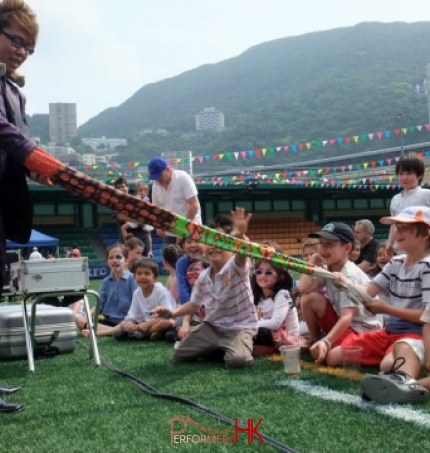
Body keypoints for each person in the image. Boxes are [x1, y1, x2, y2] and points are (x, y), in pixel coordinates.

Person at [0, 0, 53, 413]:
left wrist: (41, 167)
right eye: (16, 39)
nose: (21, 50)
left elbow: (22, 141)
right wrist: (35, 157)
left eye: (28, 46)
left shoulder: (14, 90)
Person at [335, 206, 430, 404]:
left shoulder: (427, 266)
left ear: (425, 234)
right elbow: (368, 291)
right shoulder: (396, 262)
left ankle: (402, 381)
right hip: (388, 332)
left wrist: (386, 309)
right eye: (397, 227)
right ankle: (402, 378)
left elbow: (426, 316)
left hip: (415, 333)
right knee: (334, 357)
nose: (397, 232)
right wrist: (345, 283)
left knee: (393, 363)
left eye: (404, 228)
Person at [153, 207, 258, 367]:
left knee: (238, 361)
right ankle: (218, 347)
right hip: (212, 327)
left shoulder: (235, 267)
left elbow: (242, 254)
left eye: (222, 242)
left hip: (238, 329)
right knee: (179, 354)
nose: (214, 246)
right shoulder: (203, 276)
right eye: (210, 242)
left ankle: (227, 347)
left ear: (232, 248)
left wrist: (240, 237)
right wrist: (172, 313)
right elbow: (194, 304)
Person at [297, 222, 382, 366]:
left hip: (361, 330)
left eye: (329, 244)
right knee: (309, 299)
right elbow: (304, 288)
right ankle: (316, 340)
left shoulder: (349, 274)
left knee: (326, 357)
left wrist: (326, 341)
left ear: (347, 248)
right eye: (321, 243)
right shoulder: (329, 268)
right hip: (344, 324)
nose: (322, 249)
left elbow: (347, 318)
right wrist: (312, 261)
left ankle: (371, 352)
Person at [77, 244, 137, 337]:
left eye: (118, 257)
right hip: (108, 320)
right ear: (107, 262)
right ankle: (116, 331)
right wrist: (85, 317)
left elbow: (136, 304)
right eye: (111, 257)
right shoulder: (106, 281)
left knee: (128, 324)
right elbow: (99, 304)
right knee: (84, 323)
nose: (114, 260)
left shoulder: (132, 279)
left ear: (126, 261)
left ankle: (100, 333)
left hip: (126, 319)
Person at [114, 258, 176, 341]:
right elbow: (132, 315)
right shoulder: (137, 293)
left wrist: (147, 324)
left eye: (147, 274)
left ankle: (144, 334)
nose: (142, 277)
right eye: (139, 273)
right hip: (143, 324)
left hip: (162, 321)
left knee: (167, 322)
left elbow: (168, 315)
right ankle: (152, 333)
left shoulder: (161, 291)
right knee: (123, 324)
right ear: (134, 277)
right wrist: (130, 325)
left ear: (155, 277)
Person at [386, 153, 430, 259]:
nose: (404, 177)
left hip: (424, 250)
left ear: (419, 175)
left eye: (409, 173)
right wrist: (390, 244)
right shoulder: (395, 199)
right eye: (401, 174)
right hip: (402, 251)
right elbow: (393, 225)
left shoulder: (426, 195)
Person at [148, 157, 201, 244]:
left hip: (191, 229)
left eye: (160, 177)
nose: (158, 181)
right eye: (155, 178)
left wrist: (183, 229)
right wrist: (158, 226)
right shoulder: (156, 185)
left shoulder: (183, 178)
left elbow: (194, 206)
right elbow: (156, 209)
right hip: (170, 231)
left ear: (168, 170)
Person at [252, 258, 298, 356]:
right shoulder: (258, 296)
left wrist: (249, 324)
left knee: (260, 332)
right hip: (270, 335)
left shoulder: (282, 294)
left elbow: (275, 324)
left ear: (281, 277)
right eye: (259, 272)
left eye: (268, 273)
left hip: (287, 338)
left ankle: (267, 349)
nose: (262, 276)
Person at [120, 182, 153, 257]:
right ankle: (127, 244)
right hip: (135, 221)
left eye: (142, 191)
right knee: (123, 227)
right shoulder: (135, 199)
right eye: (138, 191)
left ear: (146, 192)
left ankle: (150, 250)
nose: (140, 193)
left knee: (148, 234)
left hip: (143, 222)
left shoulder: (147, 201)